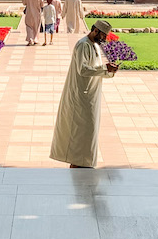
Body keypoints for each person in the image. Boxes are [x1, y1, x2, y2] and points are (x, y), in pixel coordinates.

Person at [50, 19, 119, 168]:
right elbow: (83, 70)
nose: (104, 39)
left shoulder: (94, 46)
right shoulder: (83, 45)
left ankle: (85, 165)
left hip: (91, 97)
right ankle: (78, 166)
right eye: (103, 35)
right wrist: (105, 68)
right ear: (95, 31)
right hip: (81, 97)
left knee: (89, 133)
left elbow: (97, 70)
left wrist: (109, 71)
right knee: (80, 133)